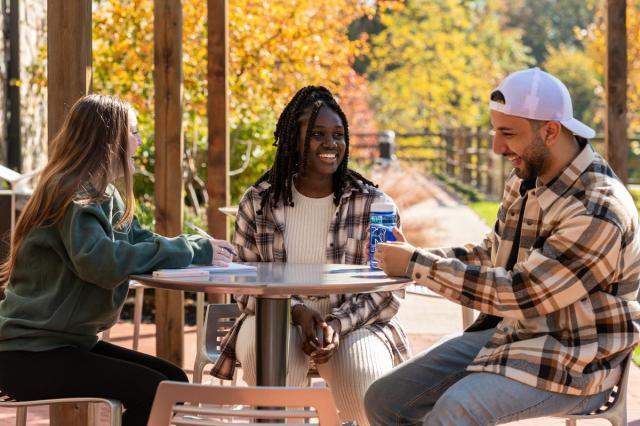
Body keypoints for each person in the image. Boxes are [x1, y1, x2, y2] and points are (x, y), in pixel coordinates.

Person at [367, 68, 640, 425]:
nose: (497, 147)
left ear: (551, 130)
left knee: (456, 411)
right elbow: (494, 252)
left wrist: (417, 265)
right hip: (512, 336)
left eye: (508, 133)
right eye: (495, 131)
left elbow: (523, 292)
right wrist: (420, 256)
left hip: (576, 360)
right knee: (384, 400)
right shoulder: (527, 177)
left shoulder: (597, 207)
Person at [0, 94, 235, 426]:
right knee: (156, 389)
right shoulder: (74, 195)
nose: (140, 140)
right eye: (135, 131)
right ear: (109, 140)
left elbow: (139, 239)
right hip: (29, 354)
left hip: (65, 344)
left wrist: (197, 247)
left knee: (172, 383)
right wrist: (191, 250)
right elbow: (100, 262)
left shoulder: (103, 194)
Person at [211, 86, 410, 425]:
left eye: (338, 134)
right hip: (272, 318)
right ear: (293, 141)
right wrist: (296, 311)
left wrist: (336, 323)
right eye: (317, 134)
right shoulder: (258, 203)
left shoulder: (376, 205)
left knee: (365, 379)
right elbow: (242, 283)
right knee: (275, 362)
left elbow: (387, 288)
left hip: (356, 325)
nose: (331, 144)